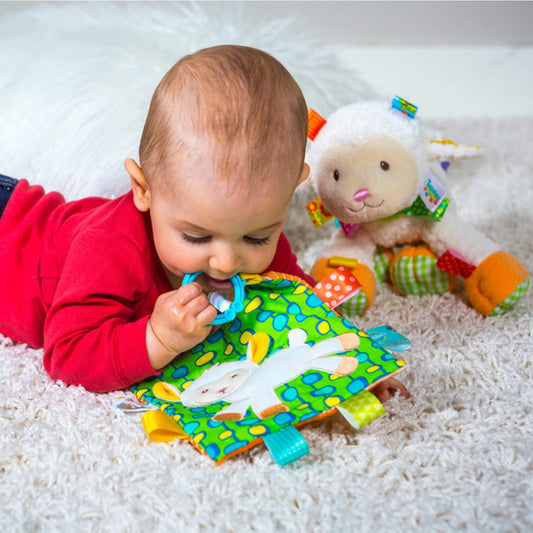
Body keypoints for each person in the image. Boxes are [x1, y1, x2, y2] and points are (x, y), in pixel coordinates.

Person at [0, 45, 409, 401]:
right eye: (196, 236)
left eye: (256, 236)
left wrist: (353, 372)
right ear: (144, 190)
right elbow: (66, 355)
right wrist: (156, 339)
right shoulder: (108, 248)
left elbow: (302, 309)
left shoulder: (251, 232)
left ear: (291, 193)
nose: (227, 261)